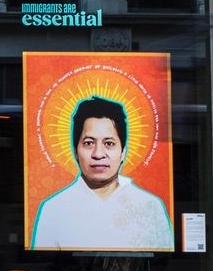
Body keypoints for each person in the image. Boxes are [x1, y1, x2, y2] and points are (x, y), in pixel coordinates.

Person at [31, 96, 173, 251]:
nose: (98, 154)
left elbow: (161, 265)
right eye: (88, 143)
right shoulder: (53, 209)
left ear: (123, 152)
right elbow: (45, 268)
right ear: (75, 151)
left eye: (109, 143)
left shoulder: (150, 206)